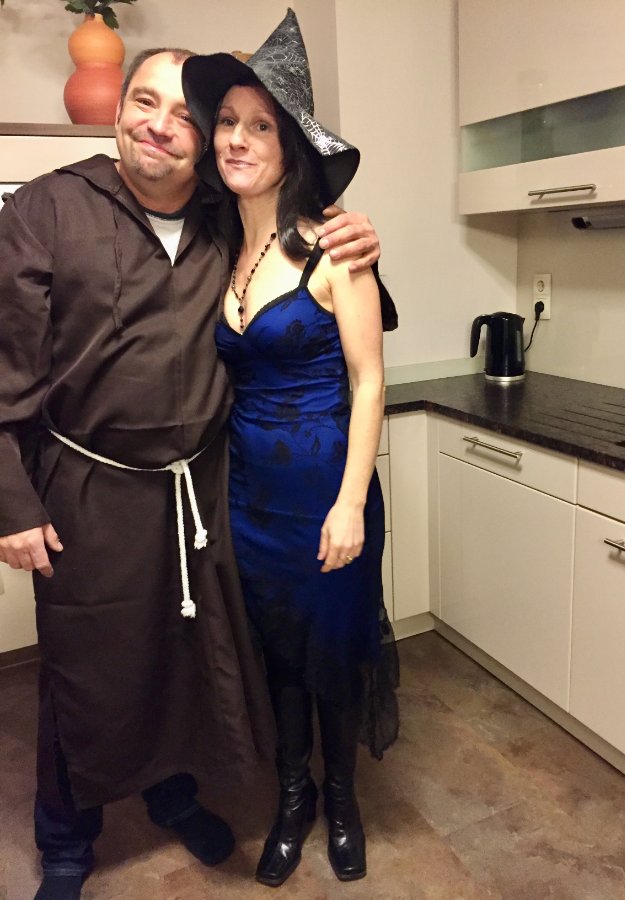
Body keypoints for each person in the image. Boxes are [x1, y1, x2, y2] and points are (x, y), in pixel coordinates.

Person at [0, 42, 391, 900]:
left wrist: (353, 226)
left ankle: (173, 792)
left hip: (203, 490)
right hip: (91, 492)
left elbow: (322, 277)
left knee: (184, 654)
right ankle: (65, 840)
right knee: (82, 666)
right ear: (116, 110)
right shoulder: (46, 207)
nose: (162, 126)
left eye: (187, 114)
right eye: (145, 102)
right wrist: (10, 504)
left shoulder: (224, 215)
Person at [182, 10, 399, 887]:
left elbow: (370, 382)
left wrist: (350, 504)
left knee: (333, 655)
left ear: (291, 147)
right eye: (227, 123)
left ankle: (341, 803)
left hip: (325, 491)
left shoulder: (335, 248)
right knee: (276, 655)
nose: (237, 139)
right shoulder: (218, 248)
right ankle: (293, 797)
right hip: (249, 499)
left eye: (260, 126)